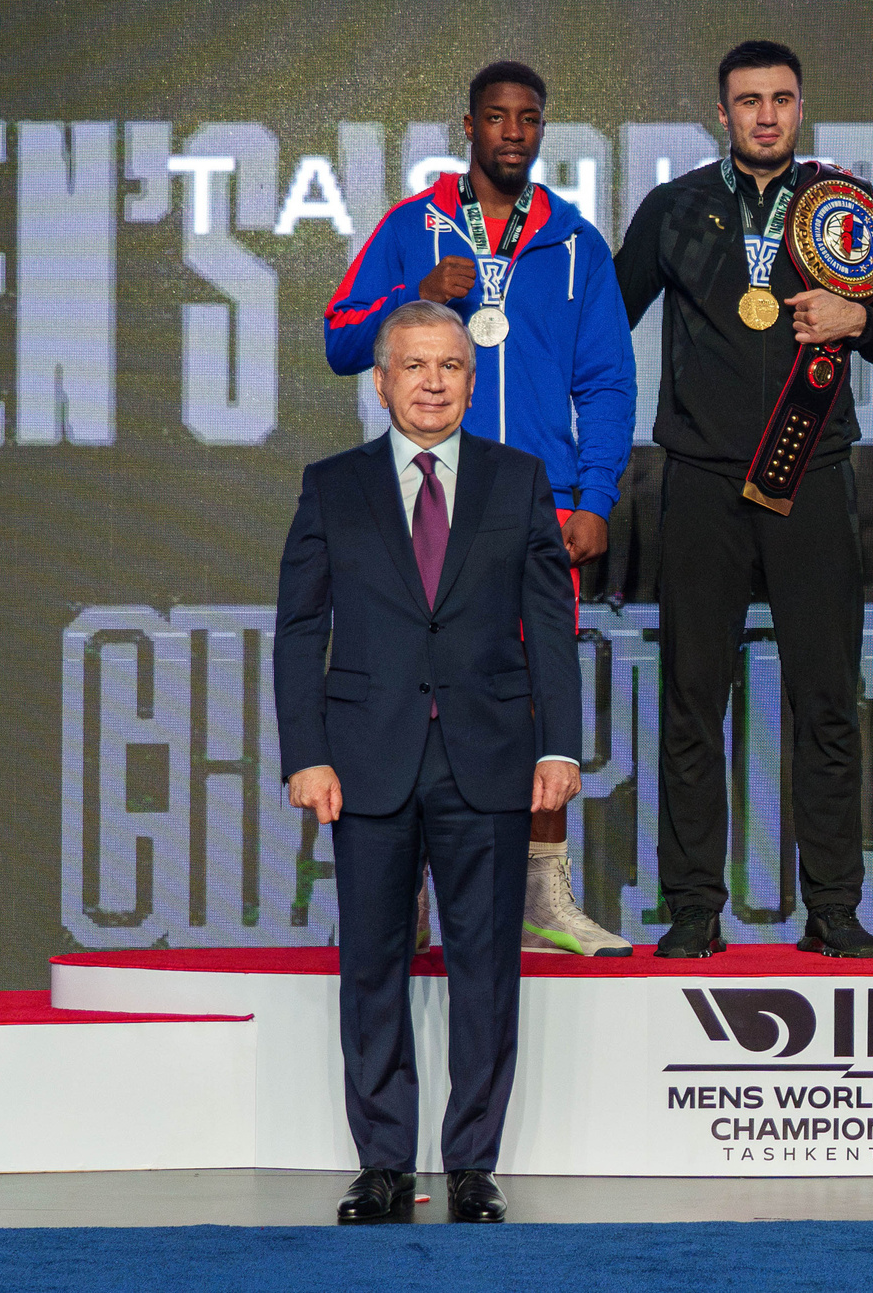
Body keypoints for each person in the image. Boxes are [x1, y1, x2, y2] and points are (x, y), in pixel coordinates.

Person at [276, 300, 583, 1224]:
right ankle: (380, 1166)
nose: (434, 381)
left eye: (450, 365)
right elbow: (299, 630)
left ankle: (471, 1166)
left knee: (487, 966)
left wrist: (559, 742)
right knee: (371, 964)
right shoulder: (332, 486)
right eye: (415, 365)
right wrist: (307, 754)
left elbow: (551, 623)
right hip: (366, 762)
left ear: (472, 377)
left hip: (488, 760)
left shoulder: (517, 479)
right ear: (381, 381)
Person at [323, 61, 637, 958]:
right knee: (417, 689)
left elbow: (608, 380)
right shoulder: (412, 228)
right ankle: (410, 899)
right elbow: (344, 342)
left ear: (542, 131)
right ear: (467, 126)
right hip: (426, 499)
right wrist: (419, 293)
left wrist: (595, 493)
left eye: (528, 119)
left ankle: (543, 893)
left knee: (539, 694)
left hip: (534, 503)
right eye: (496, 118)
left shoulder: (575, 243)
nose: (512, 132)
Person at [616, 39, 873, 960]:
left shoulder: (841, 207)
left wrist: (855, 317)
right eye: (749, 100)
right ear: (722, 114)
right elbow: (598, 325)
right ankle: (694, 910)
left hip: (812, 479)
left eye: (782, 98)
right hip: (701, 483)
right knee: (692, 699)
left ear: (801, 106)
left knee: (827, 698)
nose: (767, 115)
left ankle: (833, 908)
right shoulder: (675, 207)